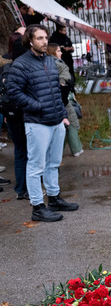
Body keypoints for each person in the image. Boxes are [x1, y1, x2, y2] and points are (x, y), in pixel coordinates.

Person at [7, 24, 79, 222]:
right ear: (30, 41)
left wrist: (63, 113)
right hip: (37, 122)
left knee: (54, 163)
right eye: (39, 38)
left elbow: (56, 92)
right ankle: (38, 207)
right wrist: (36, 106)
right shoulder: (21, 64)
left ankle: (54, 198)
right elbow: (13, 93)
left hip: (56, 120)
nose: (44, 41)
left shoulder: (49, 60)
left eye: (45, 37)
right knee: (36, 166)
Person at [2, 27, 27, 199]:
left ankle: (20, 189)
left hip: (10, 116)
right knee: (29, 152)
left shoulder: (5, 69)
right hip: (25, 115)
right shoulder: (24, 70)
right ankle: (28, 188)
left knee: (19, 152)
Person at [47, 43, 83, 157]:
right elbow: (64, 82)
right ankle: (75, 149)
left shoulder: (45, 63)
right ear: (52, 52)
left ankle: (62, 151)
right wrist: (64, 86)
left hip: (52, 100)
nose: (61, 53)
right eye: (58, 51)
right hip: (62, 100)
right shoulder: (59, 64)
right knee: (69, 122)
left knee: (62, 124)